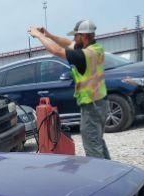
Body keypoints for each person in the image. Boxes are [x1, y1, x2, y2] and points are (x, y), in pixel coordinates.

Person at [28, 20, 111, 159]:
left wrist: (39, 36)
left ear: (84, 36)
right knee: (98, 140)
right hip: (101, 103)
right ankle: (110, 169)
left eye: (76, 36)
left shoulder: (83, 55)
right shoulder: (95, 49)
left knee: (91, 144)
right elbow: (66, 43)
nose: (73, 39)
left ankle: (101, 175)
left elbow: (56, 50)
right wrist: (49, 35)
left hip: (92, 105)